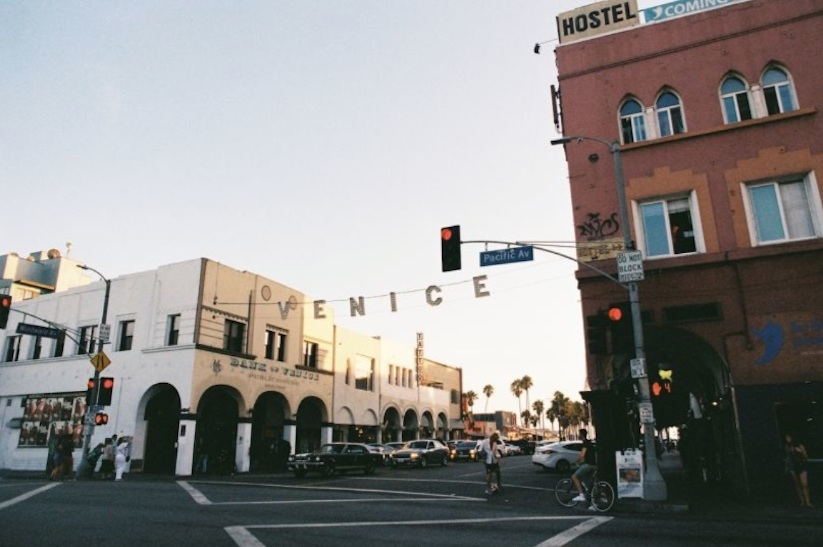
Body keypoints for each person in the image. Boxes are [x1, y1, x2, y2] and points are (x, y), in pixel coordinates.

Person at [784, 433, 813, 508]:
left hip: (801, 465)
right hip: (793, 466)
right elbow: (788, 458)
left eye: (788, 437)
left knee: (804, 484)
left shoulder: (800, 445)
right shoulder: (788, 447)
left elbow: (806, 457)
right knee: (797, 485)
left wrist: (801, 452)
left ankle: (808, 501)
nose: (787, 439)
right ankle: (802, 501)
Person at [571, 429, 597, 508]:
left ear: (581, 435)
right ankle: (593, 503)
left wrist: (577, 462)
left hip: (589, 465)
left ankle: (581, 495)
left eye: (579, 434)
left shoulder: (585, 443)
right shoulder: (589, 443)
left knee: (574, 477)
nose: (578, 435)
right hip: (593, 464)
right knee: (590, 484)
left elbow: (582, 455)